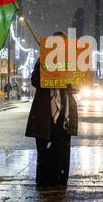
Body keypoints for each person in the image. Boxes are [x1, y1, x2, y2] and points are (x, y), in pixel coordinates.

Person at [25, 31, 78, 187]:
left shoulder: (71, 62)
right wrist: (48, 73)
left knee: (62, 149)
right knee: (44, 149)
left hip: (64, 112)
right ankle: (44, 180)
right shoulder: (42, 60)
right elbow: (34, 80)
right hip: (45, 112)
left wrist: (69, 82)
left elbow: (78, 85)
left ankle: (60, 179)